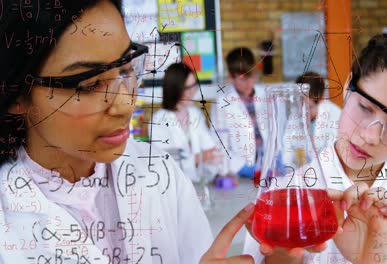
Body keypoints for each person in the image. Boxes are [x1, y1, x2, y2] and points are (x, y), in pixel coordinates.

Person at [0, 1, 257, 263]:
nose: (126, 104)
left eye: (126, 69)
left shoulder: (160, 171)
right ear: (16, 96)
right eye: (89, 84)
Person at [243, 28, 387, 263]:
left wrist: (372, 257)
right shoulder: (281, 196)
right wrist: (280, 258)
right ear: (349, 84)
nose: (370, 136)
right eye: (365, 108)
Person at [151, 62, 221, 182]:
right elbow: (165, 162)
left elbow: (210, 148)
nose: (192, 92)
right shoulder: (159, 121)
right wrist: (198, 158)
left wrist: (213, 158)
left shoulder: (195, 114)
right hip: (174, 188)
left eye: (193, 85)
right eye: (186, 88)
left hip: (199, 183)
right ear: (173, 89)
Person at [211, 47, 269, 179]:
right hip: (241, 172)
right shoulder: (222, 103)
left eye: (252, 76)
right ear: (231, 77)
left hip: (269, 168)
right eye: (243, 79)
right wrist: (240, 167)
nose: (249, 83)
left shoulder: (266, 94)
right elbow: (219, 144)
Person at [296, 71, 341, 152]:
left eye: (307, 108)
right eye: (299, 106)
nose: (302, 113)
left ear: (320, 100)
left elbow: (332, 155)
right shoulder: (296, 113)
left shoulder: (336, 116)